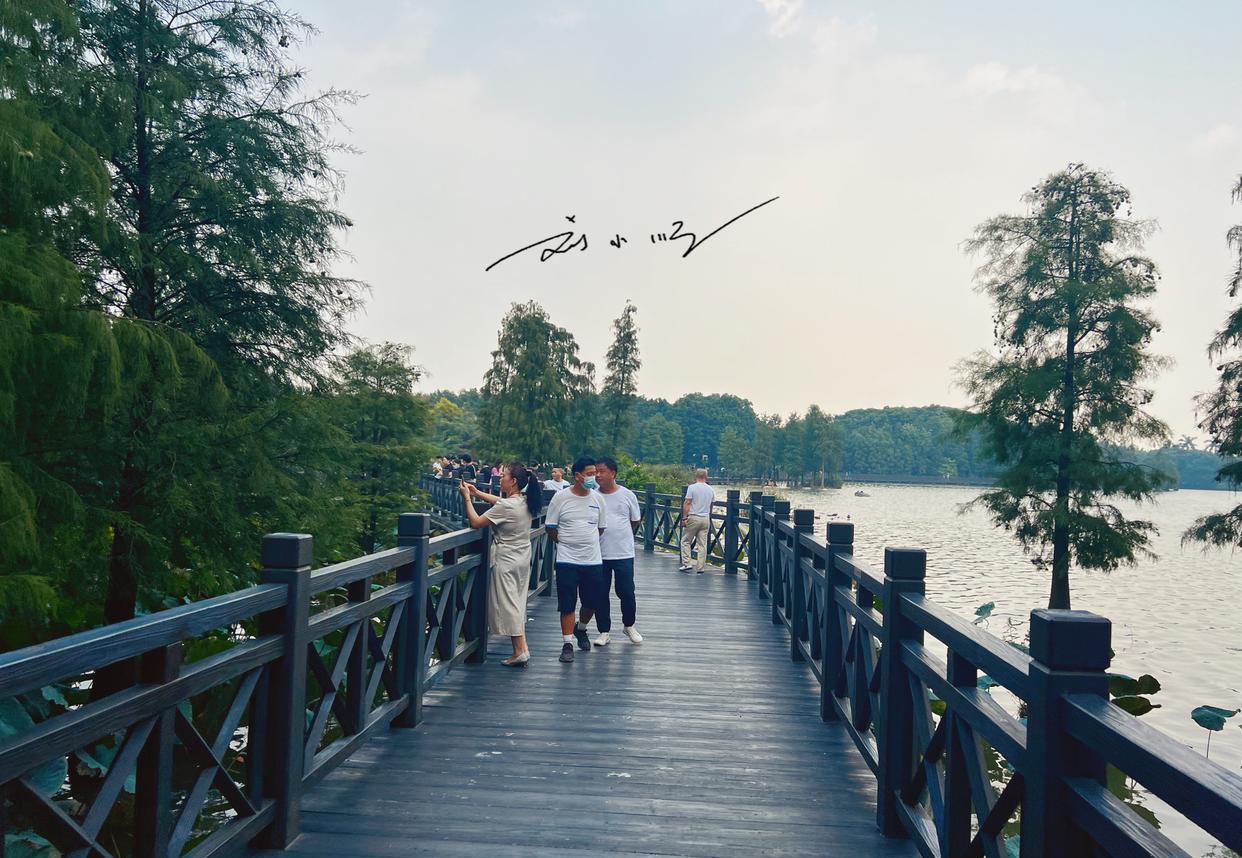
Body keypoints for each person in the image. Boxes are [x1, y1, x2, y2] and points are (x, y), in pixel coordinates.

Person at [458, 464, 544, 666]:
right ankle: (523, 648)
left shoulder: (507, 506)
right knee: (517, 602)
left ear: (513, 481)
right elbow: (501, 502)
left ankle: (519, 650)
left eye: (504, 475)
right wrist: (478, 491)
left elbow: (477, 522)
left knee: (508, 604)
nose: (501, 478)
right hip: (522, 557)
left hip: (506, 559)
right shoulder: (524, 501)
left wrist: (467, 497)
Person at [544, 457, 606, 663]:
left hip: (592, 559)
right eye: (589, 473)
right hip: (567, 559)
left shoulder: (598, 499)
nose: (594, 477)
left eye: (595, 472)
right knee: (567, 603)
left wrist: (586, 542)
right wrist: (566, 543)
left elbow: (601, 529)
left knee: (592, 602)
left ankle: (581, 628)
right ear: (577, 475)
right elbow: (550, 527)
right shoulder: (561, 498)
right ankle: (567, 643)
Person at [592, 456, 643, 645]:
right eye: (595, 471)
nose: (598, 475)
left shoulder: (627, 495)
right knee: (600, 593)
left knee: (627, 591)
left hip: (623, 552)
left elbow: (635, 520)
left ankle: (629, 625)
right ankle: (603, 631)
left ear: (613, 473)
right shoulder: (593, 495)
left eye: (601, 471)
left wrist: (622, 535)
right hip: (599, 553)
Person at [679, 468, 714, 573]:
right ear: (706, 477)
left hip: (694, 517)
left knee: (685, 541)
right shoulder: (710, 489)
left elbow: (688, 502)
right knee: (702, 544)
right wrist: (709, 514)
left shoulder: (692, 488)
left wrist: (685, 517)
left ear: (695, 476)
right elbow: (712, 504)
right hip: (705, 518)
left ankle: (687, 563)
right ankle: (700, 567)